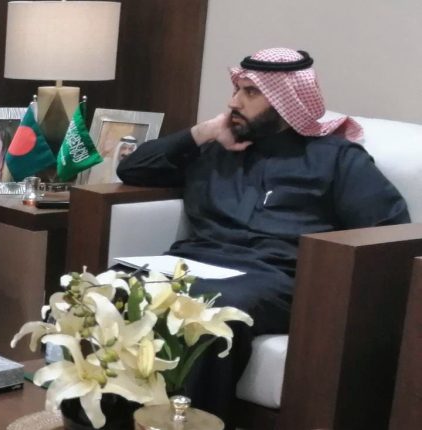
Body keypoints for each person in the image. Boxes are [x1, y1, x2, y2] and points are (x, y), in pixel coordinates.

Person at [117, 48, 409, 427]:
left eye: (250, 92)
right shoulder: (217, 150)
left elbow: (390, 230)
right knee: (115, 285)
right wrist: (204, 131)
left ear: (286, 102)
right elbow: (131, 168)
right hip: (195, 262)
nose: (233, 102)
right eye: (236, 89)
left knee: (211, 311)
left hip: (275, 277)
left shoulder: (335, 159)